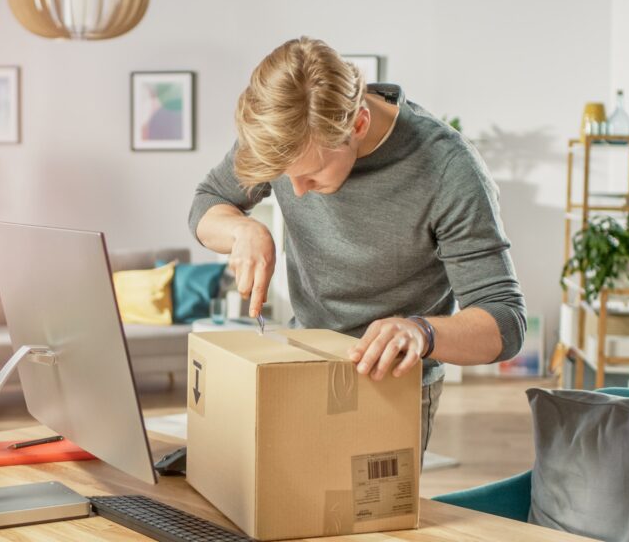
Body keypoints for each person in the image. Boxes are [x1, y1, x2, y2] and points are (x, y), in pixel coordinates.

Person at [187, 36, 526, 453]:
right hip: (300, 366)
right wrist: (241, 229)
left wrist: (421, 331)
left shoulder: (448, 169)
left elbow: (505, 322)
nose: (295, 192)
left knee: (370, 520)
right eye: (284, 176)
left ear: (359, 125)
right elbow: (208, 202)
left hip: (392, 388)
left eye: (311, 174)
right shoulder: (282, 133)